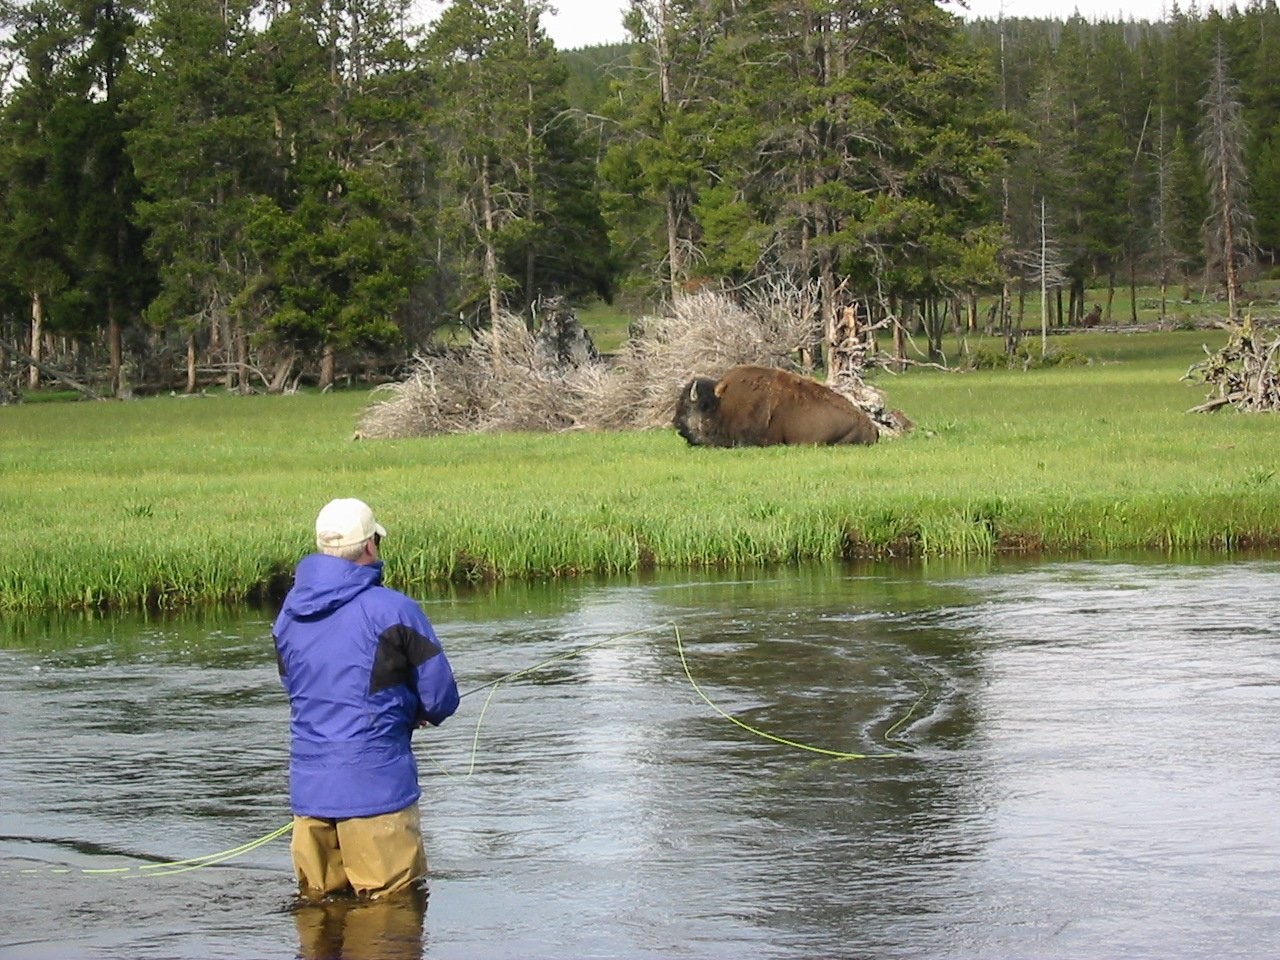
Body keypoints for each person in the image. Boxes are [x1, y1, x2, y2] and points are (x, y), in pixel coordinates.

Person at [273, 497, 459, 901]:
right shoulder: (395, 609)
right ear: (371, 544)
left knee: (319, 920)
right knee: (390, 921)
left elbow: (298, 689)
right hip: (377, 797)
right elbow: (441, 696)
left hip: (310, 799)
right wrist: (413, 712)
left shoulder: (288, 613)